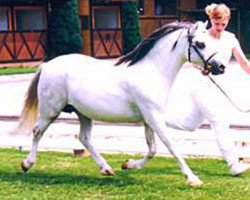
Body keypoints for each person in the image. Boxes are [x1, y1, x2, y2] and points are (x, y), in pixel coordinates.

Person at [182, 3, 250, 176]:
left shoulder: (230, 38)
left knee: (188, 124)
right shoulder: (202, 38)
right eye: (216, 23)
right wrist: (200, 68)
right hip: (200, 86)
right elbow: (189, 61)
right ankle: (233, 165)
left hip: (219, 87)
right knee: (220, 122)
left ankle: (152, 118)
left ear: (227, 21)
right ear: (211, 19)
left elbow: (243, 62)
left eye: (223, 24)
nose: (219, 27)